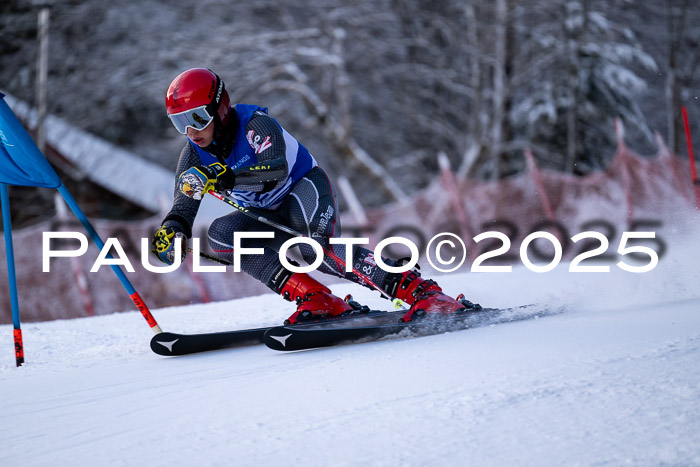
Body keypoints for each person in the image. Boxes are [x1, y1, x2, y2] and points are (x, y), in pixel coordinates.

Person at [152, 67, 473, 324]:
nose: (191, 131)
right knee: (221, 236)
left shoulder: (256, 124)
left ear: (220, 109)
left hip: (302, 190)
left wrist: (225, 176)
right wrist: (173, 231)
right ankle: (317, 298)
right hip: (265, 213)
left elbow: (273, 170)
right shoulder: (193, 156)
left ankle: (416, 288)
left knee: (310, 249)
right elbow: (184, 205)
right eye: (180, 122)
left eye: (196, 118)